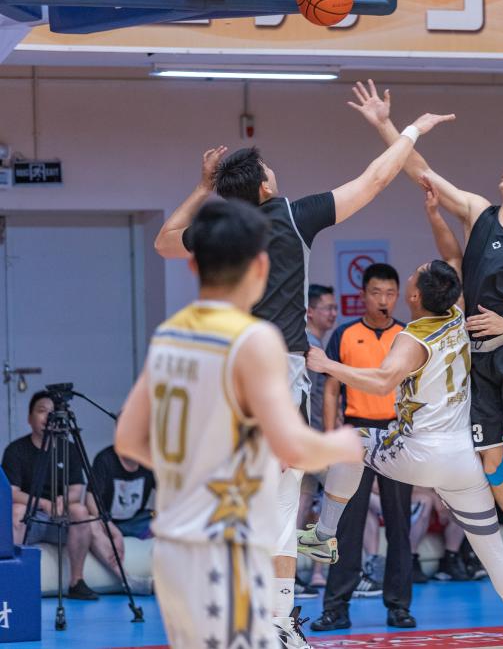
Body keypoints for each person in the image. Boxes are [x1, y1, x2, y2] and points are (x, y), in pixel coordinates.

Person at [153, 108, 453, 648]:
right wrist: (410, 131)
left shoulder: (218, 231)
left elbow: (164, 241)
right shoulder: (292, 216)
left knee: (259, 502)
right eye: (268, 169)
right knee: (281, 500)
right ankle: (272, 619)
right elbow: (375, 180)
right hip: (275, 371)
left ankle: (257, 616)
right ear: (264, 186)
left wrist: (202, 187)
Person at [349, 79, 503, 598]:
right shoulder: (479, 212)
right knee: (491, 463)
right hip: (479, 361)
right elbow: (420, 171)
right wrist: (387, 125)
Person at [115, 199, 364, 649]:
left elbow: (128, 440)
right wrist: (342, 445)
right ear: (260, 267)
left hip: (173, 546)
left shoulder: (171, 333)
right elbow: (292, 448)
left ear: (193, 267)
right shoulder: (254, 340)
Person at [305, 258, 503, 649]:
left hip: (418, 453)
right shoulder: (456, 315)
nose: (412, 271)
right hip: (463, 460)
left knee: (351, 441)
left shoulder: (411, 339)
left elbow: (382, 381)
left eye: (414, 275)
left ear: (414, 296)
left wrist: (327, 364)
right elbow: (450, 263)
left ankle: (324, 533)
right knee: (492, 549)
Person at [301, 263, 416, 631]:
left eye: (390, 293)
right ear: (363, 295)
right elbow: (331, 388)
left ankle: (399, 606)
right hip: (355, 435)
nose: (383, 300)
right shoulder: (345, 334)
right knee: (347, 524)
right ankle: (336, 608)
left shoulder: (407, 336)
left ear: (397, 297)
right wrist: (330, 436)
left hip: (396, 436)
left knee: (398, 523)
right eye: (376, 292)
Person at [3, 391, 98, 600]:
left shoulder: (69, 449)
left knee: (80, 510)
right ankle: (14, 580)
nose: (48, 417)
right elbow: (12, 493)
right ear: (29, 418)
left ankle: (77, 581)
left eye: (53, 412)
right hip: (32, 518)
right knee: (17, 511)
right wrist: (44, 503)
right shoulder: (16, 450)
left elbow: (76, 489)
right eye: (42, 411)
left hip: (60, 518)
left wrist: (64, 501)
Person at [297, 283, 338, 591]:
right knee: (341, 500)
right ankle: (324, 573)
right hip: (312, 441)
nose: (333, 313)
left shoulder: (312, 344)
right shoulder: (310, 349)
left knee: (300, 506)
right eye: (328, 307)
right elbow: (309, 399)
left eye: (335, 308)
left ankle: (306, 575)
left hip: (307, 441)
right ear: (310, 311)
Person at [85, 443, 157, 593]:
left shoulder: (150, 461)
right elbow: (91, 499)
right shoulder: (105, 459)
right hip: (108, 522)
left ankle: (170, 581)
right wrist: (111, 529)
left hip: (137, 522)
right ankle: (129, 581)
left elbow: (167, 496)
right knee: (89, 524)